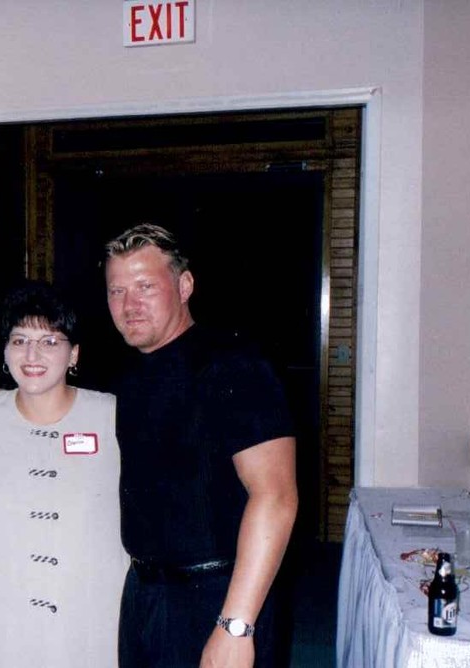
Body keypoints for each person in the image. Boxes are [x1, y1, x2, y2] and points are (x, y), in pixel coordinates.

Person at [104, 223, 298, 668]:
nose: (129, 304)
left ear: (185, 285)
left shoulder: (233, 366)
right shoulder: (130, 377)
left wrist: (236, 625)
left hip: (220, 598)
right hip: (144, 596)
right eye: (117, 291)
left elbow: (276, 497)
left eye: (145, 286)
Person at [0, 281, 128, 668]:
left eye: (50, 341)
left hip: (88, 612)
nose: (32, 355)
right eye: (19, 340)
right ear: (4, 352)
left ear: (74, 354)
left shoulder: (112, 416)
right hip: (1, 614)